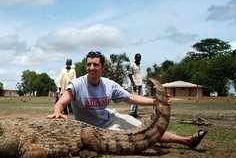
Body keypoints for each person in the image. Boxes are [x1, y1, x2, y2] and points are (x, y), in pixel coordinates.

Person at [49, 50, 207, 148]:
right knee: (139, 139)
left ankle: (186, 140)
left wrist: (155, 101)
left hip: (111, 119)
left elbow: (131, 97)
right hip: (90, 129)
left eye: (95, 65)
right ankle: (185, 141)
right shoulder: (77, 84)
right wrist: (57, 111)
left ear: (102, 67)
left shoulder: (109, 85)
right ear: (85, 66)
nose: (91, 68)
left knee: (146, 130)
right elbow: (63, 101)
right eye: (89, 64)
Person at [128, 53, 143, 118]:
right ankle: (131, 113)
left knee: (138, 99)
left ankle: (135, 113)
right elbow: (129, 74)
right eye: (137, 57)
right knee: (134, 99)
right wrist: (133, 84)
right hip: (135, 84)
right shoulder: (132, 65)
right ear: (135, 58)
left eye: (139, 57)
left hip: (140, 84)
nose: (138, 59)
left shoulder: (140, 65)